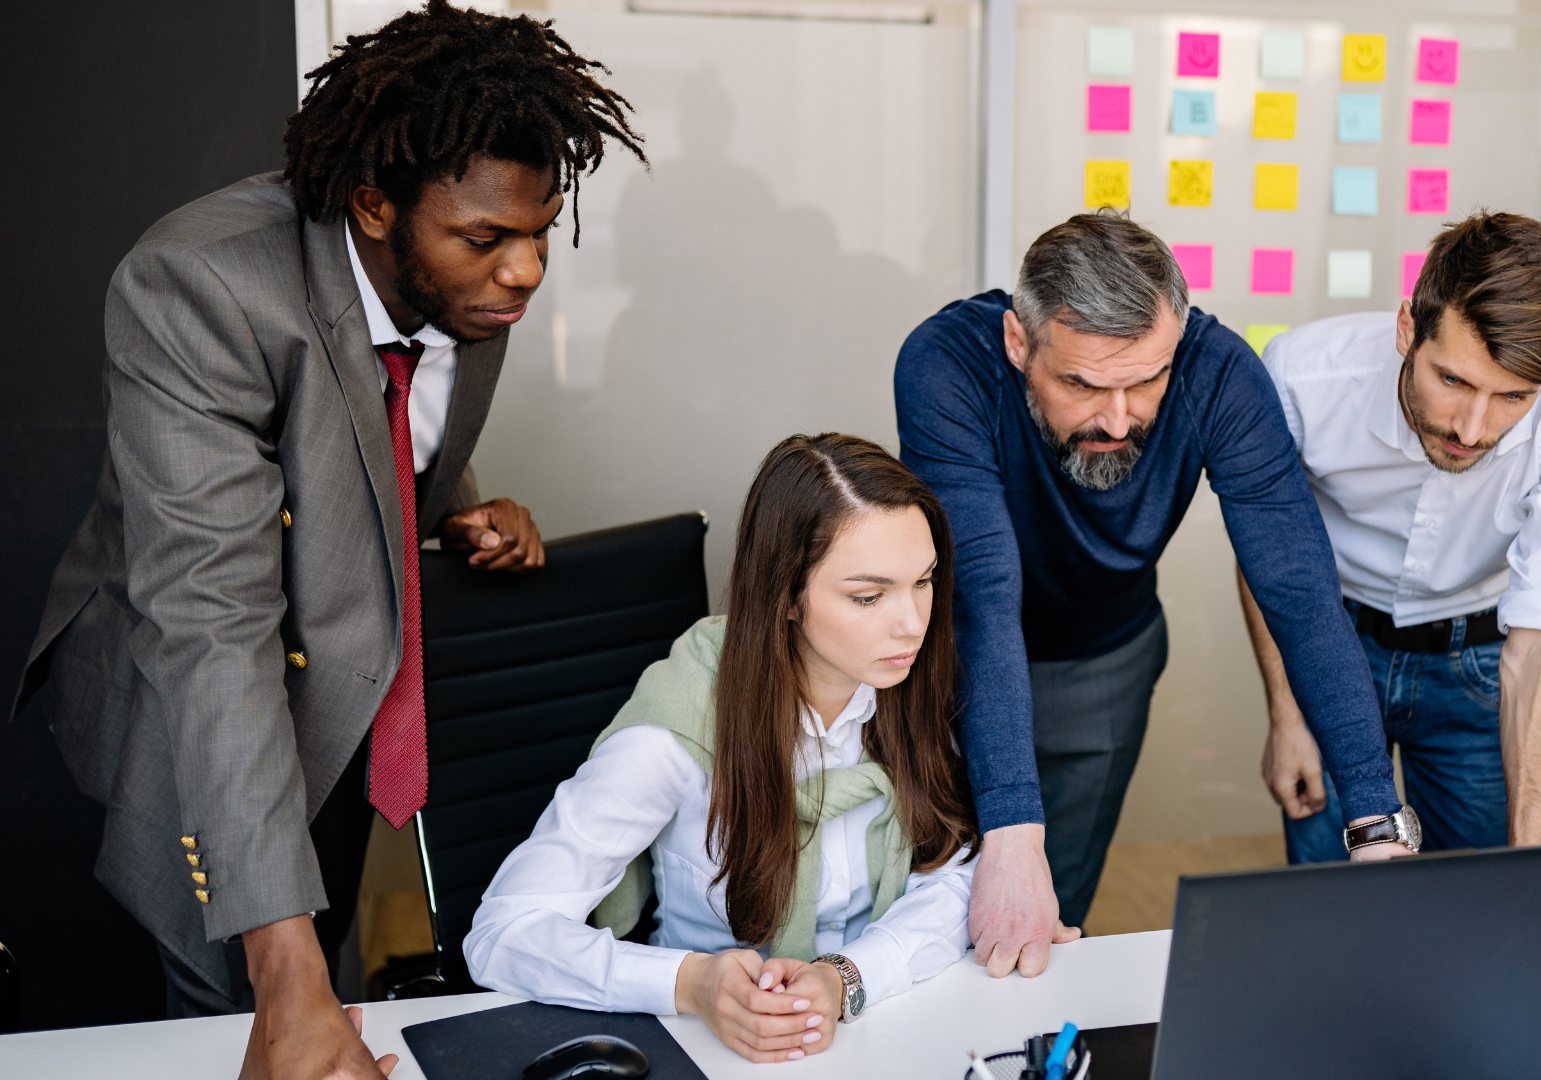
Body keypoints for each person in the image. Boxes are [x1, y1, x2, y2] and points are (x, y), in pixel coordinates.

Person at [7, 3, 645, 1076]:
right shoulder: (202, 288)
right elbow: (213, 625)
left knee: (328, 970)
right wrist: (289, 980)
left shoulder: (466, 279)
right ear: (373, 205)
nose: (526, 270)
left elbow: (377, 413)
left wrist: (451, 502)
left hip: (351, 694)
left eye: (541, 232)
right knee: (241, 1009)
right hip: (199, 702)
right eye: (489, 239)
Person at [895, 212, 1414, 978]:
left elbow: (1298, 587)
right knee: (911, 906)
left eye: (1146, 381)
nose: (1118, 417)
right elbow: (983, 589)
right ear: (1018, 343)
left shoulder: (1219, 373)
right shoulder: (947, 363)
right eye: (1081, 384)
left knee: (1041, 920)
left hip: (1104, 663)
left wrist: (1375, 819)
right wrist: (1009, 827)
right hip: (935, 663)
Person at [465, 434, 978, 1061]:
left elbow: (960, 874)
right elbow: (501, 934)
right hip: (702, 1048)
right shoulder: (678, 726)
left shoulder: (907, 680)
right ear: (786, 595)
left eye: (923, 581)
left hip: (885, 1031)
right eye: (868, 597)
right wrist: (690, 983)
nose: (912, 623)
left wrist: (846, 976)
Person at [1246, 211, 1541, 861]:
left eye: (1512, 397)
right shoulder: (1300, 378)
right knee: (1328, 909)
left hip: (1481, 660)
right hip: (1326, 641)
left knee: (1478, 900)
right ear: (1407, 329)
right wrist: (1286, 713)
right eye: (1452, 380)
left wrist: (1535, 872)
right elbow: (1273, 562)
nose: (1473, 428)